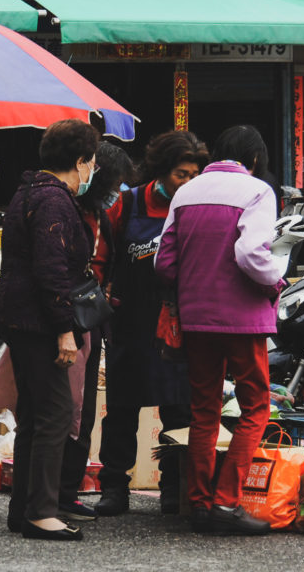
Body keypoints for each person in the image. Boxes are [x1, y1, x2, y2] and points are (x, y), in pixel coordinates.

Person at [154, 124, 284, 536]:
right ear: (256, 159)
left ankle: (199, 505)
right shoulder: (258, 191)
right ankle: (227, 503)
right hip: (243, 319)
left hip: (196, 318)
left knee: (204, 411)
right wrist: (274, 282)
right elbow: (251, 253)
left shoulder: (187, 192)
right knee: (254, 409)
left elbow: (164, 263)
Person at [0, 118, 99, 541]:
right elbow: (51, 270)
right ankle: (42, 512)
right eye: (91, 163)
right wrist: (64, 329)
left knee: (34, 417)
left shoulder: (29, 191)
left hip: (21, 319)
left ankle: (25, 509)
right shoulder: (54, 200)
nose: (92, 172)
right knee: (53, 416)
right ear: (79, 161)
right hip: (39, 321)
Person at [95, 129, 209, 517]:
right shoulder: (126, 205)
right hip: (131, 322)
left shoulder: (198, 208)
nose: (189, 183)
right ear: (160, 172)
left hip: (181, 322)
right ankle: (114, 487)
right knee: (122, 409)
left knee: (179, 409)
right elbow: (101, 259)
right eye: (181, 174)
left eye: (195, 175)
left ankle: (173, 489)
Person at [57, 141, 135, 522]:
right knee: (64, 412)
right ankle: (49, 497)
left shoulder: (102, 215)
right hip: (67, 322)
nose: (117, 195)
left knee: (82, 412)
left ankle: (66, 493)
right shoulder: (67, 210)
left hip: (89, 320)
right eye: (114, 185)